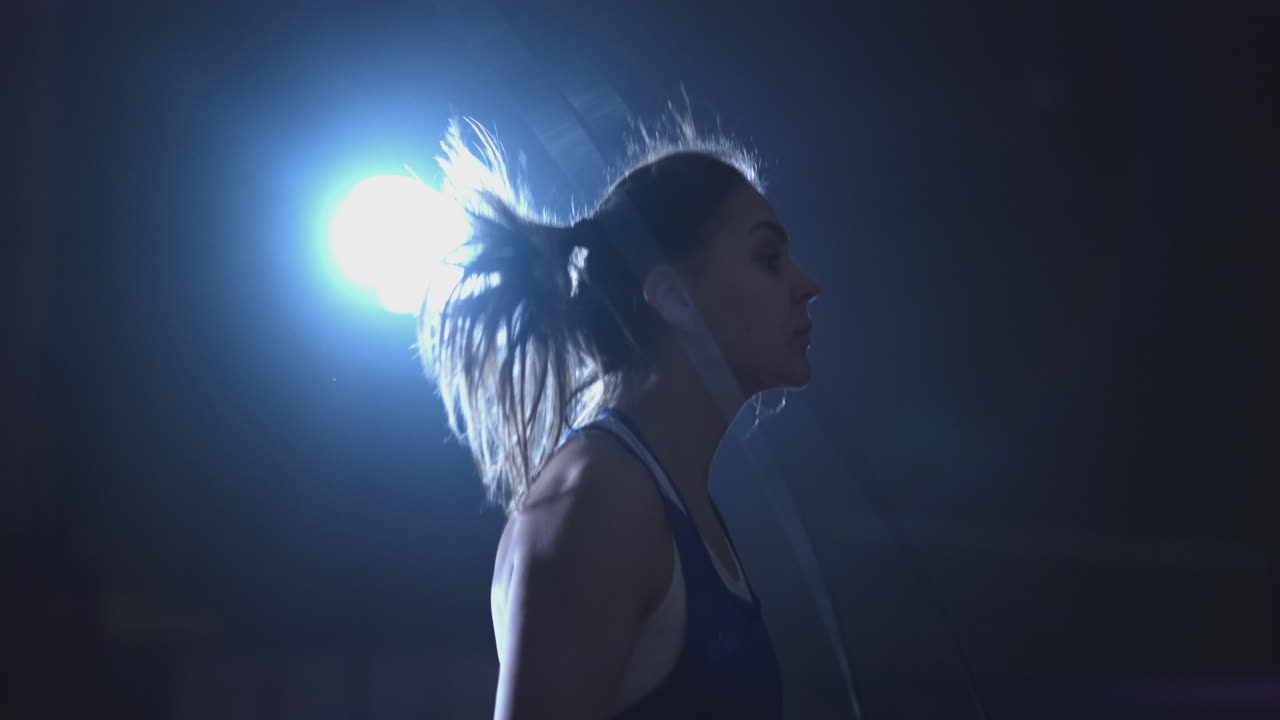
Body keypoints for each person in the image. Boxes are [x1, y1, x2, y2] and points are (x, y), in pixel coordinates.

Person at [417, 107, 820, 719]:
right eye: (768, 258)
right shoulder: (603, 501)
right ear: (673, 297)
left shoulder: (678, 506)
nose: (806, 283)